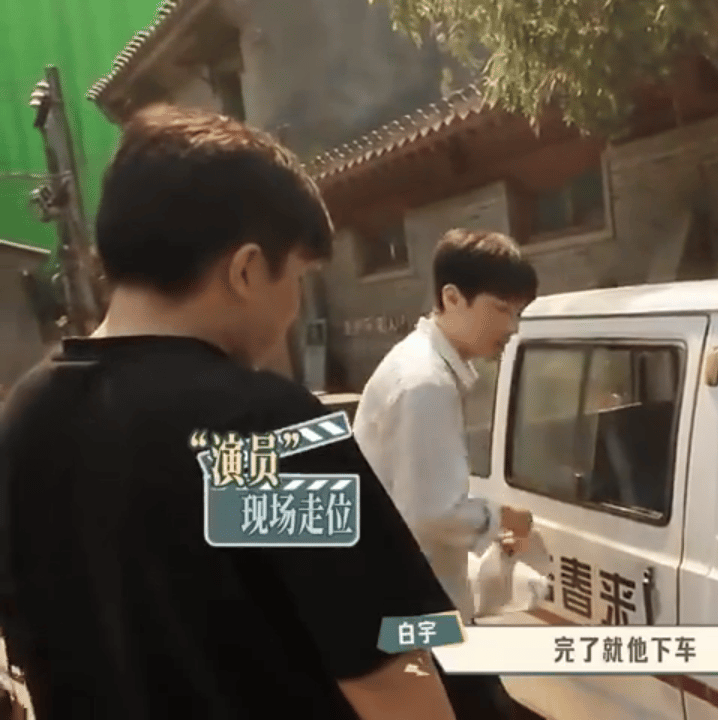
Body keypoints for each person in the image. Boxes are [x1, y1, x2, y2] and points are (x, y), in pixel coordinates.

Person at [0, 105, 458, 720]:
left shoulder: (23, 419)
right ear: (246, 270)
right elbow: (391, 679)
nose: (294, 307)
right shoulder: (263, 429)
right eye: (297, 278)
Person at [353, 228, 539, 719]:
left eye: (518, 312)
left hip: (413, 599)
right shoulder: (426, 383)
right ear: (452, 297)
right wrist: (503, 519)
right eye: (501, 309)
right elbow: (431, 512)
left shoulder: (424, 367)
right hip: (419, 608)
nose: (511, 326)